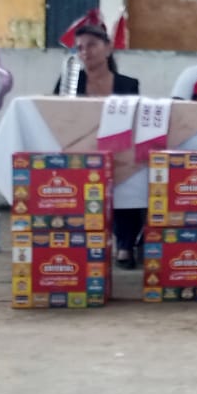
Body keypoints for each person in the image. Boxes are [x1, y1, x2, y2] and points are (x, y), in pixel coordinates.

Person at [52, 25, 145, 270]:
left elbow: (134, 121)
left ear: (108, 48)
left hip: (118, 150)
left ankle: (125, 244)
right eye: (80, 47)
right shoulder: (70, 81)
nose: (85, 52)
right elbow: (57, 115)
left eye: (92, 45)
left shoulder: (128, 84)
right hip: (79, 149)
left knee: (131, 176)